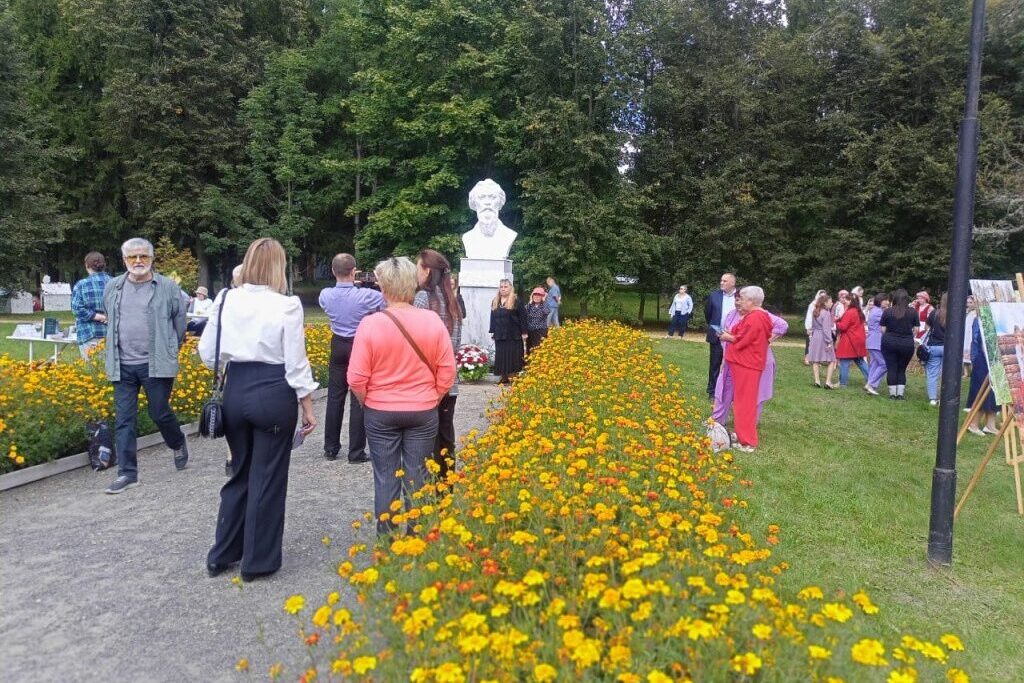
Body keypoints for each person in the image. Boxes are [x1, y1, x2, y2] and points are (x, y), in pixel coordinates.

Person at [201, 238, 318, 581]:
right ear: (278, 266)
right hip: (273, 390)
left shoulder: (225, 299)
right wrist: (307, 406)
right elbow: (296, 362)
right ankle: (258, 560)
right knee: (267, 477)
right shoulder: (287, 305)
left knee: (239, 471)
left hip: (236, 389)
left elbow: (207, 352)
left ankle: (222, 553)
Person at [348, 257, 456, 535]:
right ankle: (417, 535)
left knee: (385, 475)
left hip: (380, 410)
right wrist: (433, 398)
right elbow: (447, 371)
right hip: (422, 410)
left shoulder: (370, 325)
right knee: (418, 474)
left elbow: (356, 378)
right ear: (412, 285)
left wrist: (368, 401)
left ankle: (387, 537)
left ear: (383, 287)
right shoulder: (432, 321)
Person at [101, 238, 189, 494]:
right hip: (122, 365)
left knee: (159, 412)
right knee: (124, 420)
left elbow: (180, 322)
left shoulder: (167, 287)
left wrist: (170, 349)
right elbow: (110, 317)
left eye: (143, 256)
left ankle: (177, 441)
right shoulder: (113, 286)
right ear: (124, 260)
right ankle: (127, 473)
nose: (138, 261)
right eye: (132, 257)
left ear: (152, 258)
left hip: (156, 363)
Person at [319, 253, 385, 464]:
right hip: (359, 343)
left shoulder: (325, 295)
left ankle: (330, 447)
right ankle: (356, 451)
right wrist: (378, 281)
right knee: (358, 396)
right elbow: (385, 302)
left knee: (335, 396)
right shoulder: (367, 296)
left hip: (338, 342)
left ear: (333, 271)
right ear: (354, 271)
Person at [414, 249, 462, 481]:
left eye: (417, 267)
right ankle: (446, 484)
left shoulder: (423, 298)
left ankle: (430, 484)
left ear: (426, 271)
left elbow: (416, 340)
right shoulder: (452, 300)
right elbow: (455, 344)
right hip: (449, 380)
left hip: (427, 380)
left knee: (427, 437)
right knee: (445, 433)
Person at [712, 302, 788, 430]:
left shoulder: (759, 315)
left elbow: (782, 325)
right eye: (737, 299)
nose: (738, 302)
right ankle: (718, 420)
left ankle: (747, 427)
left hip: (754, 362)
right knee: (725, 387)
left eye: (741, 299)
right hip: (734, 360)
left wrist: (767, 340)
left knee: (752, 395)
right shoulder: (732, 315)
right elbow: (737, 338)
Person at [717, 286, 774, 452]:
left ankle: (748, 441)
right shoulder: (755, 316)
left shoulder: (756, 317)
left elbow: (743, 340)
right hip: (746, 365)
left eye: (741, 298)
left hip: (747, 365)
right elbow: (742, 334)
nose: (739, 302)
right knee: (742, 403)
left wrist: (727, 337)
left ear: (751, 300)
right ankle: (742, 435)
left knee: (745, 404)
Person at [462, 178, 518, 259]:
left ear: (500, 202)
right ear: (474, 203)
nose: (487, 202)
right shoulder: (468, 238)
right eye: (481, 197)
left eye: (492, 197)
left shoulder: (509, 235)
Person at [71, 251, 112, 360]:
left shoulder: (82, 285)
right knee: (113, 369)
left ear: (87, 265)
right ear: (104, 264)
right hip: (114, 334)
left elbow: (77, 310)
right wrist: (110, 317)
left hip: (90, 333)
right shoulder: (115, 283)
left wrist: (99, 317)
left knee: (93, 369)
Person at [880, 288, 920, 400]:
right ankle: (900, 395)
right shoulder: (913, 312)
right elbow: (916, 330)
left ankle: (892, 395)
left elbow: (882, 329)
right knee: (902, 369)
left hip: (889, 342)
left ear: (894, 298)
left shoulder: (888, 311)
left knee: (891, 367)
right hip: (906, 343)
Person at [966, 312, 999, 435]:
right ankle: (973, 424)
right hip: (983, 360)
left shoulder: (996, 317)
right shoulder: (981, 319)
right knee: (981, 391)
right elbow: (983, 343)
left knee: (995, 393)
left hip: (994, 360)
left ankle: (990, 425)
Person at [705, 273, 738, 397]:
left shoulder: (741, 296)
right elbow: (708, 314)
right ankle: (712, 391)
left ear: (733, 283)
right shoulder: (714, 296)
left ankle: (731, 392)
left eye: (725, 281)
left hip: (735, 336)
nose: (721, 283)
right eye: (721, 280)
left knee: (733, 365)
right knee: (715, 364)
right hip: (718, 335)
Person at [490, 279, 528, 383]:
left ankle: (513, 377)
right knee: (501, 356)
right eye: (501, 287)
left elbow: (523, 317)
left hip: (513, 334)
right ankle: (504, 377)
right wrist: (493, 331)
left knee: (512, 356)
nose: (503, 289)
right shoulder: (495, 301)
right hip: (500, 334)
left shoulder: (516, 300)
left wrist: (524, 332)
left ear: (510, 288)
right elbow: (492, 317)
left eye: (505, 287)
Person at [836, 294, 869, 388]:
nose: (845, 301)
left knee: (844, 362)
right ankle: (872, 381)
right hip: (858, 340)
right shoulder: (859, 312)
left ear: (852, 301)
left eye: (847, 300)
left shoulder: (850, 312)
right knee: (860, 361)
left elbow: (843, 326)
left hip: (849, 341)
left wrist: (836, 322)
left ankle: (843, 384)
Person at [923, 293, 948, 406]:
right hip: (949, 348)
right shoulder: (955, 315)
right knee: (947, 374)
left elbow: (926, 328)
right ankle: (945, 397)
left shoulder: (934, 313)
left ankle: (932, 399)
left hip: (933, 346)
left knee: (932, 374)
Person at [807, 293, 836, 388]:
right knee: (832, 360)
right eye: (830, 301)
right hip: (823, 337)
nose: (832, 303)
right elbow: (826, 329)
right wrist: (829, 341)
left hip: (815, 337)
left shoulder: (815, 311)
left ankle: (817, 381)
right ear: (825, 303)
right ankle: (828, 382)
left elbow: (813, 326)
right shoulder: (826, 313)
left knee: (815, 360)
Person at [864, 293, 889, 395]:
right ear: (881, 301)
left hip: (873, 341)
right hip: (876, 341)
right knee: (884, 364)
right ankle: (871, 384)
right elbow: (887, 324)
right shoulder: (879, 312)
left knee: (875, 364)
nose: (887, 302)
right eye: (886, 300)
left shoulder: (875, 310)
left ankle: (870, 384)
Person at [803, 289, 827, 365]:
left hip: (820, 327)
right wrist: (808, 327)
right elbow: (809, 316)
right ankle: (807, 358)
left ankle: (816, 360)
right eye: (821, 296)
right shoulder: (812, 305)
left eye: (824, 296)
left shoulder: (824, 306)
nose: (822, 297)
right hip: (812, 327)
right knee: (809, 343)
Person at [525, 287, 549, 353]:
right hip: (530, 331)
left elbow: (547, 312)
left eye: (539, 295)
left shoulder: (544, 305)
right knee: (529, 350)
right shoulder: (530, 305)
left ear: (542, 297)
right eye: (535, 295)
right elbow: (524, 312)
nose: (536, 297)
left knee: (539, 350)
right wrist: (530, 301)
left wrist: (544, 301)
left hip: (540, 331)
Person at [963, 295, 977, 378]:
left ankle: (973, 372)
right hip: (966, 335)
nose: (968, 304)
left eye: (970, 302)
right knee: (965, 352)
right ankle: (965, 373)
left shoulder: (977, 313)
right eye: (967, 302)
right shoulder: (966, 312)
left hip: (972, 334)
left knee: (971, 353)